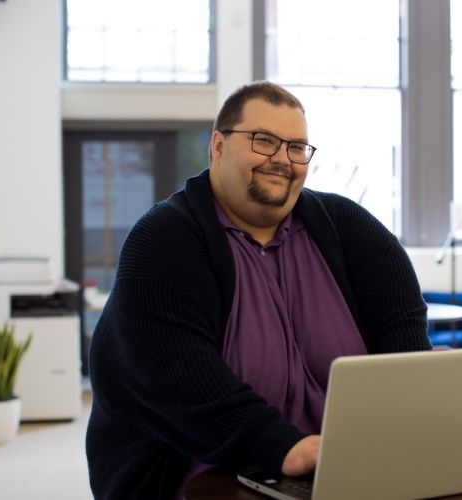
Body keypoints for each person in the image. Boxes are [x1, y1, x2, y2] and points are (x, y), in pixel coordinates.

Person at [85, 81, 431, 499]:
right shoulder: (163, 241)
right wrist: (282, 447)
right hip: (199, 474)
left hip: (340, 472)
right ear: (217, 146)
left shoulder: (354, 230)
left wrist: (406, 431)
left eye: (297, 147)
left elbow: (405, 348)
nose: (281, 160)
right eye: (264, 141)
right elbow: (177, 377)